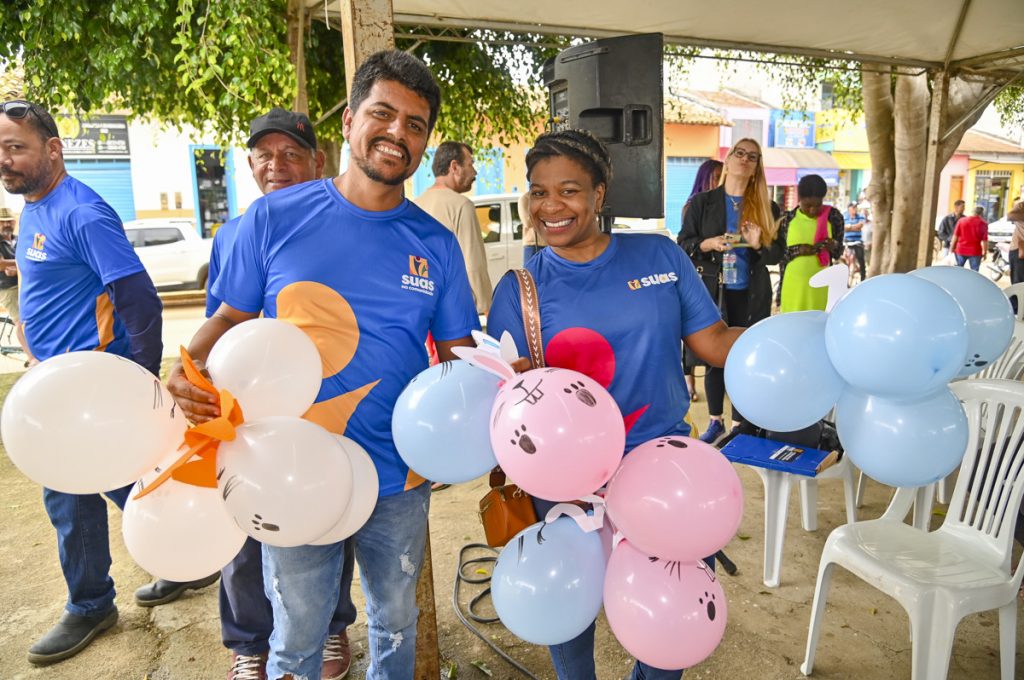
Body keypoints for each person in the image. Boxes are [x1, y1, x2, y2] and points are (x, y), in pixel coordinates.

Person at [166, 51, 478, 680]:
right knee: (298, 636)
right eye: (383, 114)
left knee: (395, 626)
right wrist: (187, 367)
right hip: (289, 467)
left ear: (424, 144)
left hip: (398, 476)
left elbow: (457, 357)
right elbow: (228, 319)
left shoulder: (436, 245)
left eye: (415, 125)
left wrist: (489, 404)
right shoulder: (276, 217)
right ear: (348, 121)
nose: (397, 133)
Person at [488, 128, 749, 680]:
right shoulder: (520, 289)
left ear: (600, 194)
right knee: (568, 616)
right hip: (566, 484)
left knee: (666, 622)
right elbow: (516, 400)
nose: (551, 207)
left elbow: (713, 342)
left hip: (664, 473)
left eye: (569, 190)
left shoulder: (657, 254)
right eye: (538, 192)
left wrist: (783, 342)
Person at [0, 99, 218, 665]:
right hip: (57, 386)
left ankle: (97, 599)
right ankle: (179, 560)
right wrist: (31, 343)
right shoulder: (32, 209)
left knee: (87, 487)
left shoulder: (83, 211)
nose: (6, 160)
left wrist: (139, 381)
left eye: (15, 147)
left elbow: (137, 296)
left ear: (53, 149)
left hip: (95, 390)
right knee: (123, 483)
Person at [190, 107, 355, 680]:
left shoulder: (342, 225)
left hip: (320, 402)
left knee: (328, 511)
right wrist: (192, 367)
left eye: (291, 154)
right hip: (246, 407)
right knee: (244, 520)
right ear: (250, 163)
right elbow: (223, 318)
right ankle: (249, 644)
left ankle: (332, 630)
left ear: (318, 161)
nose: (276, 165)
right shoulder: (235, 231)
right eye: (264, 154)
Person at [679, 137, 782, 444]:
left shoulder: (768, 207)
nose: (745, 159)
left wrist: (757, 243)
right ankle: (716, 421)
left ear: (756, 167)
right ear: (728, 159)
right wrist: (707, 244)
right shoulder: (702, 203)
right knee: (715, 357)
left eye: (753, 156)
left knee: (747, 358)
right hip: (714, 290)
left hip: (751, 293)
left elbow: (778, 255)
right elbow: (683, 245)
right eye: (740, 153)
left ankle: (741, 424)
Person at [415, 140, 492, 314]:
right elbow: (474, 263)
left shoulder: (416, 204)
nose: (475, 172)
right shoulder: (461, 205)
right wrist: (486, 304)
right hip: (455, 309)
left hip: (423, 304)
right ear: (455, 167)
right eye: (471, 164)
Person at [680, 159, 723, 402]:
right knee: (694, 331)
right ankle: (689, 381)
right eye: (715, 176)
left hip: (718, 277)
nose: (719, 181)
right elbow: (685, 243)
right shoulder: (695, 205)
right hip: (698, 275)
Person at [777, 175, 845, 312]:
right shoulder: (787, 220)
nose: (813, 211)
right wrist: (798, 250)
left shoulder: (833, 217)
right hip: (793, 289)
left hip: (822, 290)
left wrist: (834, 246)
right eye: (808, 206)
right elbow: (777, 256)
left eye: (818, 205)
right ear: (799, 199)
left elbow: (838, 253)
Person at [950, 206, 988, 271]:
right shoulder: (983, 224)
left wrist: (952, 248)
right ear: (982, 213)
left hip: (961, 250)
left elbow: (955, 236)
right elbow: (985, 240)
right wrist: (985, 252)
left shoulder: (962, 221)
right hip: (975, 251)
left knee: (957, 271)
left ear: (972, 212)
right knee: (974, 272)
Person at [0, 207, 20, 332]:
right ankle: (30, 352)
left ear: (14, 222)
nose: (6, 224)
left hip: (24, 285)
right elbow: (1, 265)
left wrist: (16, 267)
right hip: (8, 289)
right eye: (2, 221)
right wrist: (22, 263)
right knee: (21, 322)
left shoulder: (20, 238)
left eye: (9, 221)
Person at [520, 190, 547, 260]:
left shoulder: (548, 196)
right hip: (532, 245)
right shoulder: (525, 198)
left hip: (550, 245)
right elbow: (527, 222)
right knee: (530, 270)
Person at [842, 202, 866, 281]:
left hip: (857, 242)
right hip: (847, 242)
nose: (855, 209)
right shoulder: (845, 217)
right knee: (845, 260)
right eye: (853, 207)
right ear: (849, 209)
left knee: (861, 260)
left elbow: (860, 226)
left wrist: (849, 227)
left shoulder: (860, 216)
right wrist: (853, 227)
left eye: (855, 207)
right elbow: (843, 228)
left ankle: (863, 278)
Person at [1009, 200, 1024, 284]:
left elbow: (1010, 216)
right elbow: (1010, 216)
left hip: (1019, 250)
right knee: (1018, 283)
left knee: (1018, 283)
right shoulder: (1021, 207)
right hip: (1020, 250)